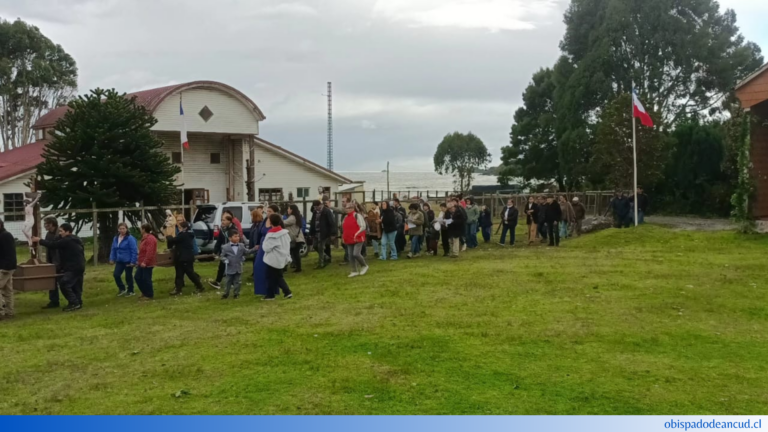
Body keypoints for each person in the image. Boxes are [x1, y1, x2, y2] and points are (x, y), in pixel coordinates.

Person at [34, 223, 85, 312]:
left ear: (68, 232)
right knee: (76, 285)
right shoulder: (75, 239)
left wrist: (39, 240)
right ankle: (77, 302)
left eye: (61, 231)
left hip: (73, 267)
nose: (60, 233)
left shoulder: (67, 240)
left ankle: (74, 302)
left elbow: (53, 245)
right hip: (79, 265)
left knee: (64, 283)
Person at [167, 221, 204, 296]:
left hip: (185, 257)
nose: (179, 229)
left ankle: (200, 286)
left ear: (185, 228)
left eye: (180, 227)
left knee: (190, 273)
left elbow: (173, 240)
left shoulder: (184, 235)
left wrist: (168, 236)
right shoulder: (186, 235)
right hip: (182, 257)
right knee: (179, 274)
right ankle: (178, 289)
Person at [262, 213, 293, 300]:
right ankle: (274, 294)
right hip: (282, 258)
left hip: (272, 259)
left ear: (270, 222)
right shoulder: (285, 233)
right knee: (276, 276)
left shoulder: (271, 235)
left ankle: (284, 292)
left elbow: (266, 248)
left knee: (273, 277)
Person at [252, 205, 278, 295]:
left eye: (270, 211)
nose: (268, 213)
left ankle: (271, 290)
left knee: (269, 268)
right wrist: (258, 243)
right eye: (267, 211)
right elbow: (260, 232)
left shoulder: (277, 221)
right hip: (263, 245)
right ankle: (261, 290)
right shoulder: (264, 221)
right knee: (258, 266)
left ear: (275, 212)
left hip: (271, 246)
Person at [109, 222, 139, 297]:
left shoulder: (130, 238)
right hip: (119, 260)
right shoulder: (116, 238)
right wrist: (112, 258)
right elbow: (113, 249)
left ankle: (131, 290)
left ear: (126, 229)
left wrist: (133, 261)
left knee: (128, 276)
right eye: (120, 229)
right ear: (118, 229)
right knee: (116, 275)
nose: (122, 230)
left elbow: (134, 250)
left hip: (128, 260)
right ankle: (122, 288)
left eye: (123, 228)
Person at [209, 215, 238, 289]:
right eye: (222, 220)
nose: (222, 222)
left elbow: (236, 241)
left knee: (231, 267)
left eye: (224, 220)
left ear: (229, 221)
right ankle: (218, 282)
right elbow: (219, 241)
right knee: (221, 266)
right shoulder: (222, 230)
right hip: (224, 251)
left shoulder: (233, 229)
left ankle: (232, 282)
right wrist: (215, 251)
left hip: (232, 251)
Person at [342, 202, 369, 276]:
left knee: (356, 253)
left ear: (352, 209)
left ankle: (364, 265)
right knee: (350, 255)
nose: (346, 209)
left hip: (358, 238)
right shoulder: (345, 217)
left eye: (348, 208)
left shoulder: (357, 215)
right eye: (346, 208)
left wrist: (356, 234)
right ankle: (354, 271)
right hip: (349, 239)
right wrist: (344, 237)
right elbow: (344, 228)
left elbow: (363, 226)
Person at [41, 216, 62, 309]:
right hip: (52, 260)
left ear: (51, 224)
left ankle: (73, 299)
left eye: (46, 224)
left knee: (62, 281)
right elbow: (49, 248)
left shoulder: (59, 234)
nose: (45, 226)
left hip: (60, 261)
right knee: (52, 282)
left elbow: (54, 246)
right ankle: (54, 301)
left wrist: (40, 241)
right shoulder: (48, 234)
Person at [309, 200, 336, 269]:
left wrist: (333, 233)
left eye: (316, 207)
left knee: (320, 248)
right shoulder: (315, 212)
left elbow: (332, 222)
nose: (315, 208)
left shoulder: (326, 211)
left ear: (320, 205)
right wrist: (311, 232)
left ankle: (321, 264)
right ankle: (326, 257)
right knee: (315, 246)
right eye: (314, 207)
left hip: (323, 233)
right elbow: (313, 222)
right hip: (316, 232)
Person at [220, 231, 246, 300]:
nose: (237, 238)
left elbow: (246, 252)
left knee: (238, 281)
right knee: (227, 282)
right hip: (229, 268)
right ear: (230, 238)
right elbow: (222, 256)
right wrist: (225, 260)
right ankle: (226, 293)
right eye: (235, 236)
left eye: (238, 236)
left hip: (238, 267)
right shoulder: (225, 247)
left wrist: (255, 249)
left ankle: (236, 294)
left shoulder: (241, 245)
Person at [135, 224, 157, 300]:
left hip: (147, 263)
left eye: (141, 228)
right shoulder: (144, 238)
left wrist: (145, 262)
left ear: (144, 229)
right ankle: (144, 292)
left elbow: (150, 252)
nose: (140, 230)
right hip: (141, 262)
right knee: (138, 277)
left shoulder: (150, 239)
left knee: (146, 278)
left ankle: (149, 294)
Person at [0, 219, 17, 320]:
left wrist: (6, 268)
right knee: (8, 290)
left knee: (6, 290)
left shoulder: (5, 236)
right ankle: (9, 312)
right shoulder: (3, 235)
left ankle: (1, 312)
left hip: (5, 267)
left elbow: (10, 253)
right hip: (7, 267)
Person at [284, 205, 305, 273]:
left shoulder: (292, 217)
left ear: (292, 210)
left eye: (288, 209)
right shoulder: (296, 216)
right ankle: (297, 267)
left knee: (293, 253)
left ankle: (297, 268)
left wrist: (277, 219)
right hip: (297, 238)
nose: (288, 210)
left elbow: (284, 223)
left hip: (296, 239)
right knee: (294, 253)